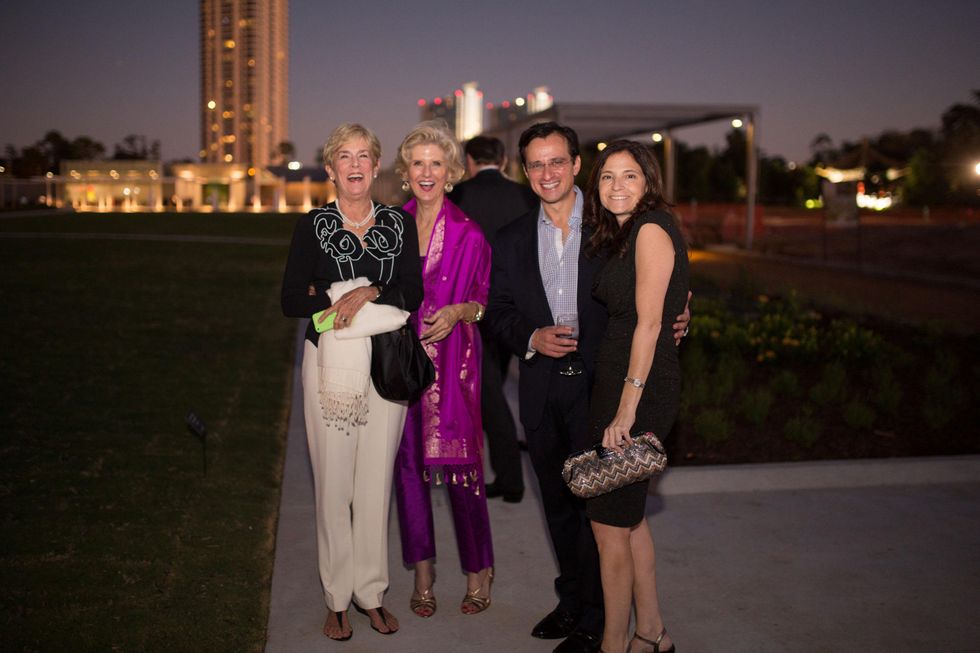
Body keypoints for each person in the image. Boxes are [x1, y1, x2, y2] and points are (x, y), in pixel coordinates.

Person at [485, 122, 690, 653]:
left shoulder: (611, 226)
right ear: (523, 171)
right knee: (558, 502)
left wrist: (680, 312)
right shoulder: (509, 239)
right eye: (536, 164)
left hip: (604, 386)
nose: (547, 173)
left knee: (602, 514)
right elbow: (498, 314)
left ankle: (604, 622)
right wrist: (530, 335)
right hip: (541, 385)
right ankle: (574, 603)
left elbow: (653, 293)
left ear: (577, 165)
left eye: (558, 161)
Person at [280, 123, 422, 641]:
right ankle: (337, 599)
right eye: (345, 156)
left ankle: (371, 593)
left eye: (365, 155)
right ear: (332, 167)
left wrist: (367, 290)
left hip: (386, 368)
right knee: (334, 486)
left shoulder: (397, 225)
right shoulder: (310, 226)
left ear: (376, 165)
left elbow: (413, 291)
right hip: (328, 373)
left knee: (373, 484)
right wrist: (337, 299)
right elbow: (293, 299)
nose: (356, 164)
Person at [583, 140, 688, 653]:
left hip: (637, 389)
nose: (616, 186)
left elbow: (649, 324)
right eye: (607, 176)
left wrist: (626, 410)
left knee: (607, 526)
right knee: (631, 519)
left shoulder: (649, 228)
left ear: (648, 182)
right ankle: (652, 631)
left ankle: (613, 644)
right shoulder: (627, 235)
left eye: (629, 176)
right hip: (623, 381)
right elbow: (667, 302)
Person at [392, 121, 495, 620]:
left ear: (451, 171)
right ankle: (423, 571)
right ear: (406, 172)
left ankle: (478, 571)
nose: (427, 172)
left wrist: (458, 312)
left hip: (454, 368)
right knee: (407, 469)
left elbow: (483, 305)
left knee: (463, 472)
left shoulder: (469, 233)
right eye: (418, 163)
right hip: (401, 368)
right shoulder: (391, 228)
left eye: (437, 163)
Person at [449, 135, 537, 502]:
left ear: (469, 160)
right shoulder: (527, 196)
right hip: (520, 308)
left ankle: (511, 479)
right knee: (495, 389)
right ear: (503, 159)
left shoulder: (457, 195)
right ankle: (510, 465)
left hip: (476, 308)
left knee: (489, 396)